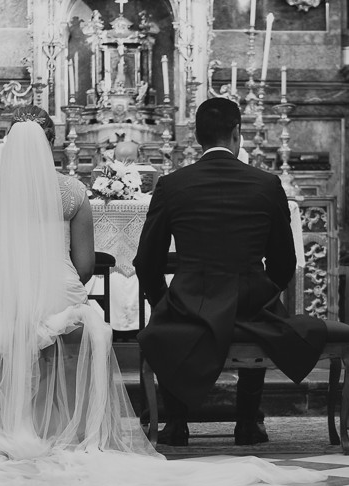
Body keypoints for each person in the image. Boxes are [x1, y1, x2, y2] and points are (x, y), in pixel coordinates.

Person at [0, 108, 324, 486]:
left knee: (37, 325)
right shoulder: (73, 191)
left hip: (21, 292)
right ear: (236, 134)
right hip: (84, 293)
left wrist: (161, 299)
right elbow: (85, 265)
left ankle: (163, 420)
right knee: (83, 325)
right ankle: (234, 420)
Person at [133, 97, 328, 447]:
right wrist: (263, 290)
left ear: (197, 136)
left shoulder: (172, 185)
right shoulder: (266, 185)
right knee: (262, 314)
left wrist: (165, 301)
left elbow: (147, 261)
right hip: (250, 301)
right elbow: (284, 261)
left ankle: (176, 423)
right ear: (238, 132)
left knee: (164, 325)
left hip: (189, 302)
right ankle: (247, 422)